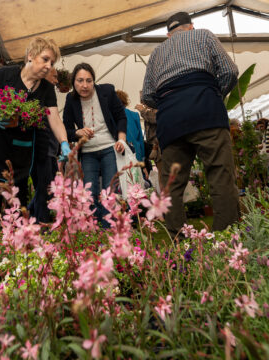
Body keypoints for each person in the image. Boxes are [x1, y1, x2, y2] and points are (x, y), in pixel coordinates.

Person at [141, 11, 240, 237]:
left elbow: (147, 95)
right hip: (206, 110)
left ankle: (178, 239)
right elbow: (230, 71)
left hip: (170, 120)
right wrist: (214, 94)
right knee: (219, 175)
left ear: (168, 35)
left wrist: (171, 102)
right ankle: (225, 238)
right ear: (191, 27)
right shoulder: (204, 36)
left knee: (171, 186)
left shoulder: (156, 53)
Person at [0, 37, 70, 227]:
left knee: (18, 205)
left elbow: (54, 118)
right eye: (45, 59)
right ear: (30, 56)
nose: (48, 66)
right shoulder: (4, 75)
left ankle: (19, 249)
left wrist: (64, 143)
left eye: (52, 62)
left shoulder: (46, 88)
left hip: (21, 154)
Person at [62, 62, 127, 226]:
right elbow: (66, 129)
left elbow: (121, 117)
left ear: (94, 81)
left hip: (109, 149)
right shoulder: (70, 99)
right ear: (73, 83)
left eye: (89, 80)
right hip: (88, 153)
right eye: (80, 81)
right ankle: (94, 229)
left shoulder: (107, 91)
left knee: (109, 191)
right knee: (89, 193)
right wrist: (77, 132)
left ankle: (109, 230)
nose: (84, 85)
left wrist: (121, 139)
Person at [29, 67, 60, 223]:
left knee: (49, 189)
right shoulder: (36, 97)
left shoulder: (49, 96)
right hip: (42, 152)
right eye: (54, 76)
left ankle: (30, 215)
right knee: (44, 189)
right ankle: (42, 221)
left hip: (51, 152)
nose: (56, 81)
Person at [115, 90, 145, 163]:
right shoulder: (134, 115)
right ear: (125, 101)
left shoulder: (111, 115)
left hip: (118, 153)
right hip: (136, 154)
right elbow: (140, 138)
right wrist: (143, 157)